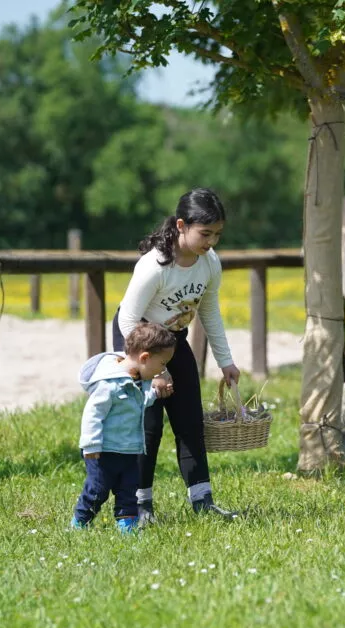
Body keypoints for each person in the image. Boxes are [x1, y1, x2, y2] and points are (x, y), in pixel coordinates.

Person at [114, 187, 242, 526]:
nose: (211, 241)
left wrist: (225, 361)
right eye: (205, 233)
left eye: (217, 234)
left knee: (189, 422)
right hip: (137, 340)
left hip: (173, 341)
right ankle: (140, 505)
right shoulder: (155, 266)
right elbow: (127, 319)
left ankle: (202, 500)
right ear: (182, 225)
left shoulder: (209, 263)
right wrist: (151, 370)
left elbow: (209, 311)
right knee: (148, 425)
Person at [72, 322, 177, 533]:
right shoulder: (109, 384)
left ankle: (127, 527)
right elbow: (93, 415)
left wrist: (155, 393)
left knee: (129, 490)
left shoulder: (140, 380)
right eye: (162, 364)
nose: (163, 370)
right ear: (145, 358)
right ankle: (80, 522)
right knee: (97, 490)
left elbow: (140, 402)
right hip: (103, 451)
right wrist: (91, 445)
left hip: (130, 450)